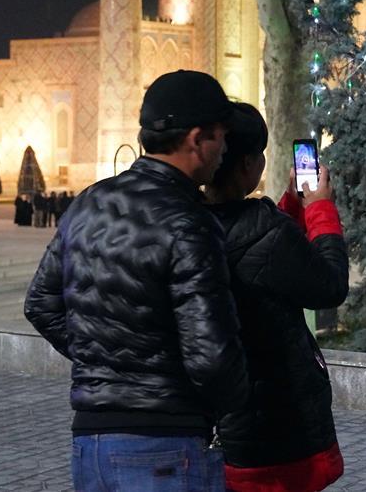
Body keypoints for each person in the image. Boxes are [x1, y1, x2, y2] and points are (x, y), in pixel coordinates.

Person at [24, 69, 250, 492]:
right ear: (197, 139)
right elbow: (212, 357)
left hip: (90, 447)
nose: (224, 151)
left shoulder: (89, 202)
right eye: (221, 136)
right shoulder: (188, 222)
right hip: (165, 448)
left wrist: (106, 363)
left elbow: (40, 303)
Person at [205, 103, 348, 492]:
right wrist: (319, 206)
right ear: (249, 165)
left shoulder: (190, 223)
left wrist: (290, 204)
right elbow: (330, 284)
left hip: (224, 425)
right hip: (281, 433)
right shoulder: (266, 231)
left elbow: (264, 251)